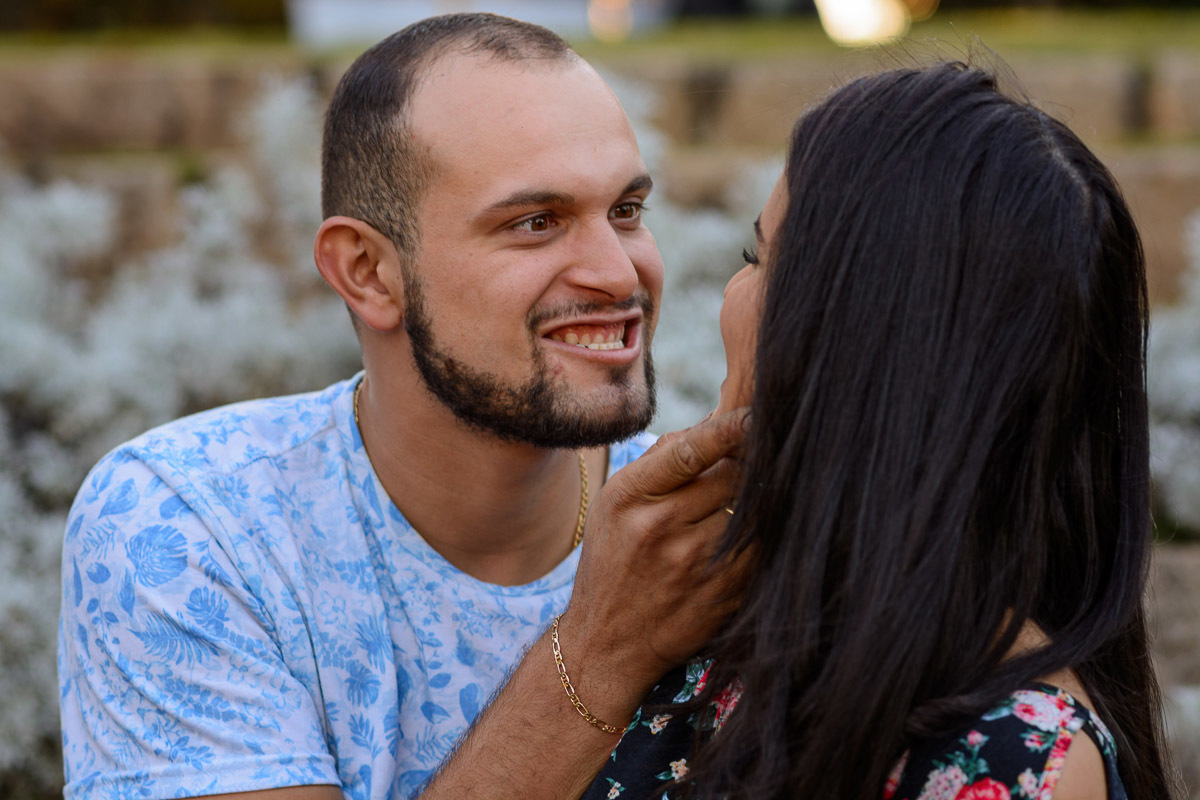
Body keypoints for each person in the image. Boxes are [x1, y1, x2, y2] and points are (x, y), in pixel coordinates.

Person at [57, 13, 749, 800]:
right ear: (367, 272)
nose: (619, 274)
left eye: (626, 211)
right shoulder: (193, 527)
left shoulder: (705, 537)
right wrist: (602, 650)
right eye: (536, 223)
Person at [584, 62, 1178, 799]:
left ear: (863, 345)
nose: (734, 293)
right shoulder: (724, 613)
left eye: (763, 261)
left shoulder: (1008, 759)